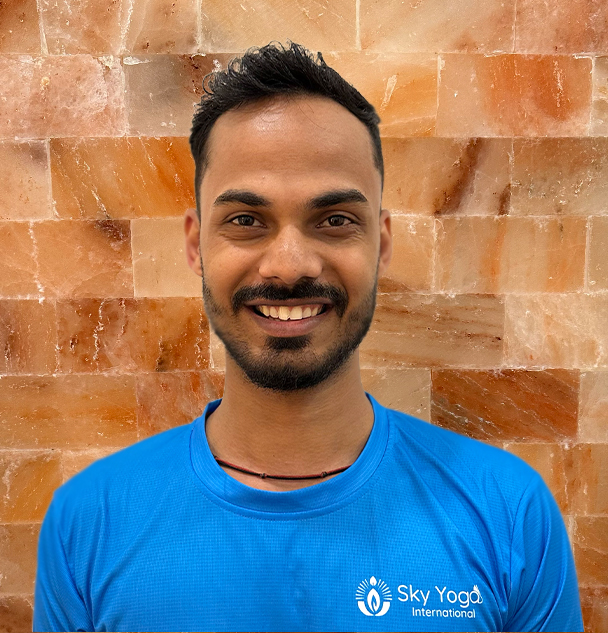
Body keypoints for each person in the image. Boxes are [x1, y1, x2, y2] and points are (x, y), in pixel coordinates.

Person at [33, 42, 583, 632]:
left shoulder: (508, 513)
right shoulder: (88, 522)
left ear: (381, 243)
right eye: (246, 220)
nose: (289, 265)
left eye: (335, 220)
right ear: (196, 244)